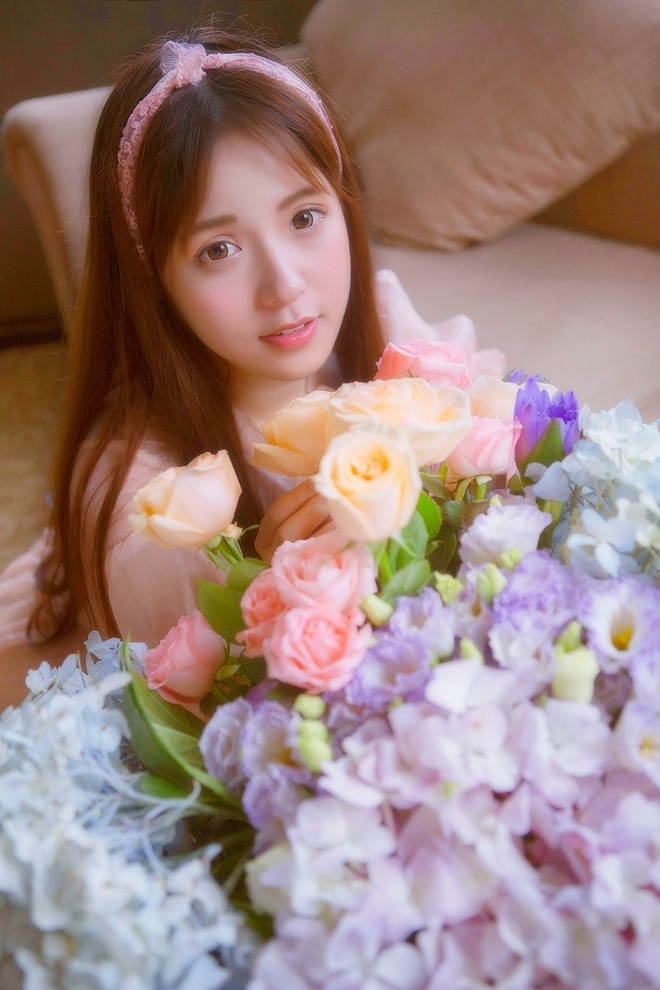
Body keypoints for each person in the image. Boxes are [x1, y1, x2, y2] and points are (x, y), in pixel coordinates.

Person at [0, 24, 479, 708]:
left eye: (305, 217)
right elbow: (214, 709)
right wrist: (266, 582)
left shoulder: (391, 342)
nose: (284, 285)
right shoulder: (151, 513)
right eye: (219, 250)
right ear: (153, 279)